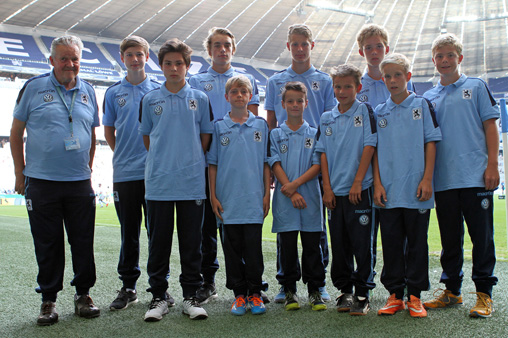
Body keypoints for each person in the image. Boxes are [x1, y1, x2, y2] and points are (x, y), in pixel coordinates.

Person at [10, 35, 100, 326]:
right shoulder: (33, 88)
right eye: (64, 58)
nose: (70, 64)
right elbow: (15, 133)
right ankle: (48, 299)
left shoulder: (88, 91)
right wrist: (19, 172)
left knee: (83, 241)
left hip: (78, 182)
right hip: (41, 181)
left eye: (74, 58)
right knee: (47, 243)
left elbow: (92, 136)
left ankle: (83, 294)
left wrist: (87, 169)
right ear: (51, 61)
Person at [422, 33, 499, 318]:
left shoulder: (476, 87)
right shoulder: (428, 97)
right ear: (433, 60)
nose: (444, 60)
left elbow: (490, 126)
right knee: (450, 240)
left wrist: (493, 165)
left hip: (476, 177)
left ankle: (484, 295)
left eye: (450, 55)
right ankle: (452, 291)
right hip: (444, 181)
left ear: (460, 58)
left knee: (482, 239)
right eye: (439, 56)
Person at [139, 38, 213, 322]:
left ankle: (191, 296)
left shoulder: (200, 99)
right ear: (160, 66)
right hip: (158, 183)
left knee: (191, 244)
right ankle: (158, 297)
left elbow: (204, 138)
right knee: (158, 244)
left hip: (192, 183)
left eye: (178, 63)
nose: (173, 68)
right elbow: (148, 138)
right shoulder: (150, 99)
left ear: (187, 66)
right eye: (168, 63)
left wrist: (190, 159)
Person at [188, 27, 261, 304]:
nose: (222, 49)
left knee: (242, 230)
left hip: (237, 166)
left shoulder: (244, 80)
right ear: (209, 50)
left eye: (227, 45)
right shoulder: (196, 80)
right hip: (207, 163)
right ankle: (208, 281)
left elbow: (253, 125)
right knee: (208, 227)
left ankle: (251, 286)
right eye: (217, 45)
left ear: (233, 48)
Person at [102, 35, 175, 310]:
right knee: (128, 233)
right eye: (130, 54)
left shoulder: (159, 90)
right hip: (124, 174)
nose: (135, 59)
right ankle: (128, 286)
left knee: (157, 233)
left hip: (155, 174)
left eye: (140, 54)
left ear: (147, 58)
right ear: (123, 58)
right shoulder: (112, 93)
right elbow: (109, 131)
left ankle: (161, 287)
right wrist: (123, 154)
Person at [265, 23, 335, 303]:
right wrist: (278, 176)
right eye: (294, 43)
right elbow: (271, 123)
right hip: (286, 166)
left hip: (314, 157)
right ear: (289, 46)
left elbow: (330, 121)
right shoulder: (275, 81)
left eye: (304, 43)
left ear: (311, 45)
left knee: (314, 230)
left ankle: (317, 284)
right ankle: (287, 284)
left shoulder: (325, 80)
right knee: (287, 235)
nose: (299, 48)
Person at [373, 53, 441, 318]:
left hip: (416, 190)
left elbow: (431, 142)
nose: (392, 80)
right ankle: (394, 295)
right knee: (390, 244)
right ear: (382, 79)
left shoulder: (422, 105)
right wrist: (377, 183)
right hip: (388, 191)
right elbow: (374, 151)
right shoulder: (379, 112)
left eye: (397, 75)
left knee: (417, 244)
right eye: (387, 76)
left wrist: (427, 179)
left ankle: (415, 296)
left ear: (408, 77)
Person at [355, 23, 416, 283]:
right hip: (367, 172)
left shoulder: (400, 82)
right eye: (368, 47)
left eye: (378, 46)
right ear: (361, 52)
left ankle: (401, 286)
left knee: (397, 232)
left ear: (386, 48)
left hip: (397, 173)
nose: (374, 51)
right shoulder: (356, 86)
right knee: (367, 233)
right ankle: (364, 287)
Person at [316, 64, 377, 316]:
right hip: (334, 193)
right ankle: (345, 291)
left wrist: (357, 182)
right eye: (338, 86)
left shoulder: (364, 111)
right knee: (339, 244)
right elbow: (323, 155)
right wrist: (327, 188)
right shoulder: (326, 117)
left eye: (348, 86)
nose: (342, 91)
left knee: (362, 244)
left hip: (360, 190)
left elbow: (369, 146)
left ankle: (362, 293)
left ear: (358, 87)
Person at [207, 75, 270, 316]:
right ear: (227, 97)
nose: (239, 95)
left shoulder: (261, 126)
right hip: (228, 202)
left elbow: (266, 164)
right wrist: (213, 196)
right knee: (232, 251)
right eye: (234, 91)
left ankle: (255, 293)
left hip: (253, 200)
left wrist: (267, 195)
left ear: (251, 95)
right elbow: (212, 164)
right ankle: (239, 295)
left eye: (244, 91)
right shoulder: (218, 126)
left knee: (253, 251)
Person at [269, 82, 326, 312]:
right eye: (290, 101)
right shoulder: (275, 134)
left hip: (310, 197)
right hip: (285, 199)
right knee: (288, 247)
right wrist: (289, 190)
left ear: (306, 103)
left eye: (299, 101)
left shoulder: (314, 133)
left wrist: (295, 186)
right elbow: (274, 163)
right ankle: (289, 289)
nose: (294, 105)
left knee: (313, 247)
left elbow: (317, 165)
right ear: (282, 104)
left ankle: (315, 290)